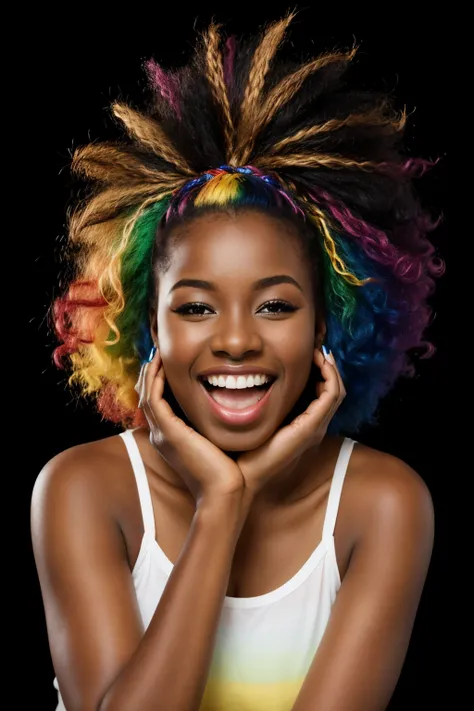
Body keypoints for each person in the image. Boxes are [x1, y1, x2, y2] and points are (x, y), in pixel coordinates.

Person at [31, 12, 443, 711]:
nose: (236, 341)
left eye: (275, 306)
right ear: (144, 327)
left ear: (329, 322)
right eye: (195, 307)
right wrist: (222, 504)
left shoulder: (383, 505)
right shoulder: (82, 490)